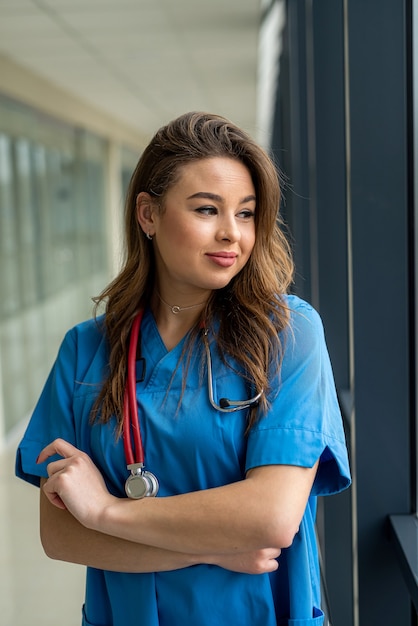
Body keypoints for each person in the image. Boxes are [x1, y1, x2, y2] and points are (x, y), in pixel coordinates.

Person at [16, 111, 350, 626]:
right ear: (148, 215)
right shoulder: (86, 350)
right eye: (206, 209)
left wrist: (106, 513)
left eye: (245, 213)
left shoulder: (287, 333)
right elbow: (60, 535)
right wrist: (216, 549)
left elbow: (271, 517)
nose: (231, 234)